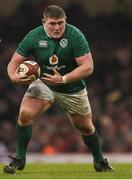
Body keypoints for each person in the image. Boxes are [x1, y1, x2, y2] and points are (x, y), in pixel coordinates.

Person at [3, 5, 115, 174]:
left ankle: (99, 161)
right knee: (25, 115)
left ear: (65, 21)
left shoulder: (75, 35)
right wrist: (13, 76)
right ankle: (19, 158)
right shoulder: (33, 36)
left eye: (60, 23)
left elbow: (88, 67)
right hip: (44, 83)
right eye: (52, 23)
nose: (57, 27)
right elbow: (14, 62)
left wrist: (63, 78)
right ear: (44, 23)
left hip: (72, 88)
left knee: (85, 127)